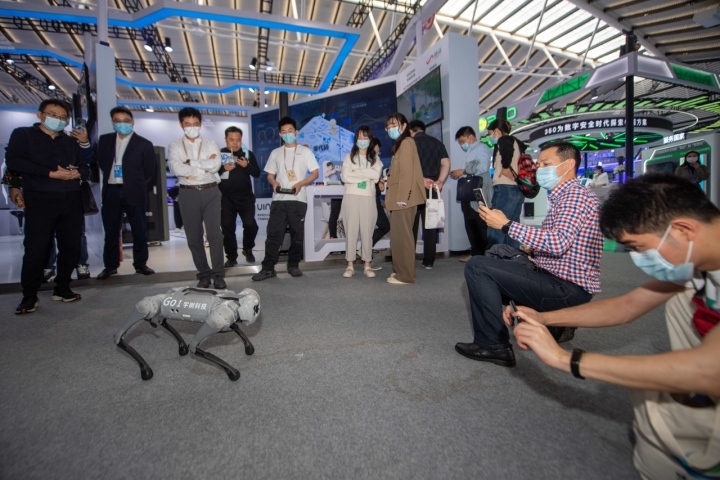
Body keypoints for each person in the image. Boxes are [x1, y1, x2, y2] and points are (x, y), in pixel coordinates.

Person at [509, 174, 720, 480]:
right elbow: (627, 306)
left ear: (684, 229)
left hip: (711, 370)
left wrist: (565, 359)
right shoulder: (700, 262)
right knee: (682, 298)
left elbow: (712, 372)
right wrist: (544, 318)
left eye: (639, 247)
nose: (639, 259)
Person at [454, 142, 602, 366]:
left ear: (568, 165)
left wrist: (506, 225)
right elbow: (562, 243)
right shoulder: (564, 196)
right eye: (538, 164)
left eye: (546, 164)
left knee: (478, 267)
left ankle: (494, 345)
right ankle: (551, 323)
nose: (539, 169)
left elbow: (558, 243)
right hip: (553, 276)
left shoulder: (575, 196)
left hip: (566, 289)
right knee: (498, 253)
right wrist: (531, 249)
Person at [6, 99, 91, 314]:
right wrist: (50, 173)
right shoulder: (23, 135)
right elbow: (14, 161)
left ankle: (63, 287)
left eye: (63, 117)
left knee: (71, 246)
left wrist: (78, 172)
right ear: (40, 115)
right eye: (53, 115)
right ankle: (29, 295)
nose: (58, 120)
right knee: (36, 248)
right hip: (40, 198)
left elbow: (85, 166)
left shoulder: (70, 141)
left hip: (71, 199)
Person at [252, 116, 319, 281]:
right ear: (280, 134)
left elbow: (315, 173)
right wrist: (273, 182)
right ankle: (268, 268)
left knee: (297, 235)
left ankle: (293, 265)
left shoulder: (305, 152)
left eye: (290, 131)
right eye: (284, 132)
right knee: (274, 234)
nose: (287, 134)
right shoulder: (275, 152)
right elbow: (269, 175)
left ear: (296, 132)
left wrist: (301, 183)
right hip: (279, 199)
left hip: (298, 199)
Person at [167, 107, 225, 289]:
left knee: (215, 235)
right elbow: (176, 168)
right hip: (187, 193)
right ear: (181, 125)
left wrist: (190, 163)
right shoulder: (175, 145)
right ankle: (204, 274)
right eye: (188, 124)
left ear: (200, 124)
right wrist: (203, 167)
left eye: (196, 124)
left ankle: (218, 274)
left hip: (211, 191)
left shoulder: (211, 143)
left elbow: (216, 165)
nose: (192, 127)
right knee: (194, 237)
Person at [96, 106, 157, 280]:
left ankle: (140, 264)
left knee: (139, 230)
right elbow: (101, 163)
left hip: (134, 191)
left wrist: (135, 183)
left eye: (126, 121)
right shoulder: (105, 140)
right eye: (118, 121)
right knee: (111, 231)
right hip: (111, 191)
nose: (122, 124)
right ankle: (110, 266)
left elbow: (150, 171)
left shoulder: (144, 144)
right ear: (113, 122)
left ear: (132, 122)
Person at [383, 113, 426, 285]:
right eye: (388, 126)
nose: (390, 129)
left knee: (404, 237)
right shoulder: (401, 144)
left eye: (394, 125)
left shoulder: (407, 143)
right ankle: (401, 271)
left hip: (403, 200)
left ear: (404, 125)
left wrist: (402, 198)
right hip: (399, 199)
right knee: (399, 237)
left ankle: (405, 275)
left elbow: (407, 173)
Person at [340, 125, 383, 278]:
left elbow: (376, 176)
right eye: (359, 137)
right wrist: (366, 175)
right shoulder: (349, 157)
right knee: (351, 231)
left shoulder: (375, 158)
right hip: (351, 196)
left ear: (370, 139)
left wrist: (356, 172)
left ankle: (367, 265)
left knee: (367, 231)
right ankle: (350, 265)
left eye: (365, 137)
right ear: (355, 139)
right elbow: (345, 177)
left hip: (368, 197)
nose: (362, 140)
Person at [407, 119, 450, 269]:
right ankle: (429, 261)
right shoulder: (437, 143)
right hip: (432, 188)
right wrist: (440, 181)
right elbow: (446, 163)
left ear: (411, 130)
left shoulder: (410, 143)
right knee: (431, 224)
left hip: (414, 187)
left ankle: (409, 259)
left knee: (411, 224)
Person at [218, 126, 260, 266]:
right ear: (226, 139)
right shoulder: (219, 154)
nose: (235, 143)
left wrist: (247, 166)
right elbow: (211, 174)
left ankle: (248, 248)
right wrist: (223, 168)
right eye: (232, 140)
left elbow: (257, 173)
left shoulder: (247, 154)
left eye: (238, 140)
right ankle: (231, 257)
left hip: (245, 197)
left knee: (250, 225)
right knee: (227, 227)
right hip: (225, 198)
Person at [450, 126, 493, 262]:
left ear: (471, 137)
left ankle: (483, 254)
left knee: (479, 221)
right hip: (470, 191)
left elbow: (483, 167)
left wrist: (463, 171)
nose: (462, 144)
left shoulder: (482, 148)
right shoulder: (471, 150)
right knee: (470, 222)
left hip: (479, 189)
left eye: (462, 141)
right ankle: (475, 252)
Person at [485, 119, 525, 249]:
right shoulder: (516, 142)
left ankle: (492, 257)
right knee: (512, 227)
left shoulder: (504, 140)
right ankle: (513, 257)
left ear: (496, 131)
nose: (491, 137)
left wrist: (505, 166)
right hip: (516, 189)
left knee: (496, 225)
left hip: (504, 188)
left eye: (490, 133)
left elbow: (507, 152)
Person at [371, 137, 390, 248]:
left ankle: (365, 248)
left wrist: (380, 180)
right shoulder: (372, 159)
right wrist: (379, 180)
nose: (379, 149)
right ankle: (365, 248)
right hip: (373, 198)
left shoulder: (374, 159)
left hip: (374, 197)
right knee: (385, 226)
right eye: (378, 147)